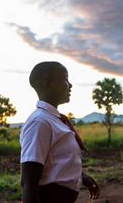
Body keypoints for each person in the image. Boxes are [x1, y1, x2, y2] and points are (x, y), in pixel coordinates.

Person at [20, 61, 100, 203]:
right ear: (48, 84)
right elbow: (29, 180)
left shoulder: (54, 119)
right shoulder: (40, 122)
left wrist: (82, 177)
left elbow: (57, 163)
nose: (70, 85)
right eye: (65, 79)